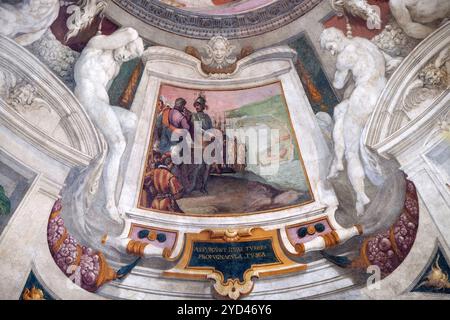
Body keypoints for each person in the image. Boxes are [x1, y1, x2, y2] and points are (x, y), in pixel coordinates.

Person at [74, 27, 144, 223]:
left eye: (130, 57)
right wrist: (131, 38)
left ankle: (120, 187)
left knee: (133, 121)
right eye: (127, 50)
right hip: (87, 97)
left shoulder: (116, 67)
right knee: (118, 144)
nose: (126, 56)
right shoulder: (97, 44)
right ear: (120, 41)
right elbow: (131, 32)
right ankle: (108, 204)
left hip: (100, 105)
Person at [320, 27, 386, 216]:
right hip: (382, 88)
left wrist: (339, 76)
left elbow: (338, 84)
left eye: (329, 46)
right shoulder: (364, 42)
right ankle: (338, 162)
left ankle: (361, 195)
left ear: (336, 37)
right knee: (340, 109)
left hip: (364, 94)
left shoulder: (343, 57)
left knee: (351, 152)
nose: (331, 51)